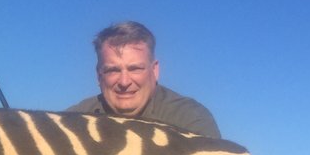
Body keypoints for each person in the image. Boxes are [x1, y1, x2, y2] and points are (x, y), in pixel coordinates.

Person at [68, 21, 220, 138]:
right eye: (113, 70)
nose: (124, 82)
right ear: (98, 75)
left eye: (135, 69)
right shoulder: (72, 122)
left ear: (155, 70)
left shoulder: (190, 119)